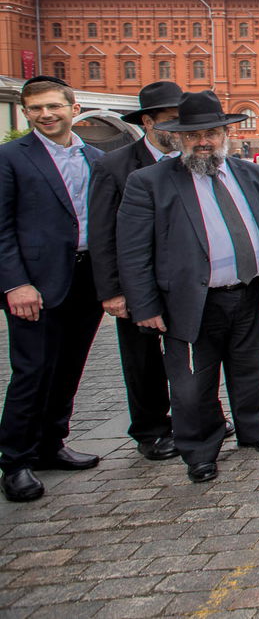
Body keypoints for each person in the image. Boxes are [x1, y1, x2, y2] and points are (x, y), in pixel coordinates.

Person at [118, 91, 259, 484]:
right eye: (194, 135)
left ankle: (254, 429)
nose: (203, 142)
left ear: (225, 133)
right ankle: (199, 450)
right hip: (191, 300)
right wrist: (144, 306)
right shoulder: (150, 182)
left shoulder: (247, 173)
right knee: (193, 382)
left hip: (246, 291)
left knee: (250, 369)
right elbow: (133, 251)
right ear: (178, 137)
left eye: (211, 133)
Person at [0, 76, 106, 503]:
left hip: (86, 277)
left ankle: (51, 444)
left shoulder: (95, 157)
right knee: (32, 371)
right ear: (26, 113)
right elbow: (1, 228)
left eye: (53, 107)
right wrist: (15, 283)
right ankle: (15, 460)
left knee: (69, 367)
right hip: (35, 286)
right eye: (36, 108)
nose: (45, 114)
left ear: (73, 108)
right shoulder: (11, 158)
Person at [88, 80, 184, 462]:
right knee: (142, 359)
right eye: (170, 120)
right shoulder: (115, 166)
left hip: (184, 281)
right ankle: (151, 429)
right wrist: (112, 291)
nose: (178, 128)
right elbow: (102, 233)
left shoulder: (188, 161)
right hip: (137, 281)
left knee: (188, 355)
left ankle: (192, 418)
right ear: (147, 121)